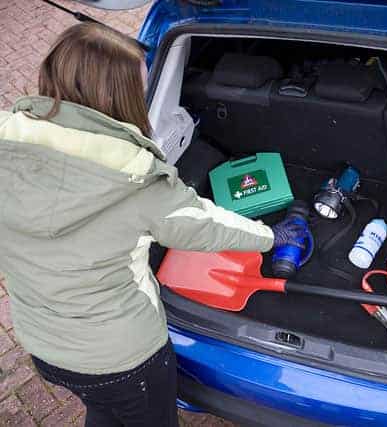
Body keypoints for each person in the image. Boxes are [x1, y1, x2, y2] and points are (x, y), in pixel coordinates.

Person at [0, 23, 304, 427]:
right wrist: (271, 237)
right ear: (115, 98)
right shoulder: (133, 179)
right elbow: (204, 226)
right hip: (122, 359)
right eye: (138, 90)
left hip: (44, 348)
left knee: (105, 409)